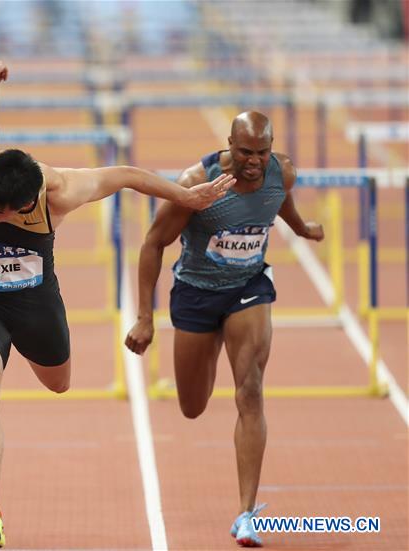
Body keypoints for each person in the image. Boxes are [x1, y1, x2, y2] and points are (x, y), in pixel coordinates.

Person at [0, 59, 235, 549]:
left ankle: (28, 355)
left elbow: (127, 175)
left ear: (28, 205)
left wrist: (187, 198)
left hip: (37, 301)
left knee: (59, 384)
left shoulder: (60, 191)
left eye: (0, 211)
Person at [124, 111, 324, 547]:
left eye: (262, 153)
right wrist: (144, 316)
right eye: (245, 152)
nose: (253, 162)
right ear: (229, 144)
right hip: (195, 294)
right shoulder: (199, 180)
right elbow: (153, 243)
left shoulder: (281, 172)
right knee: (192, 406)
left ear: (272, 150)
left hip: (248, 289)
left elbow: (279, 200)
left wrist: (302, 228)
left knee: (250, 390)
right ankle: (213, 340)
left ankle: (246, 514)